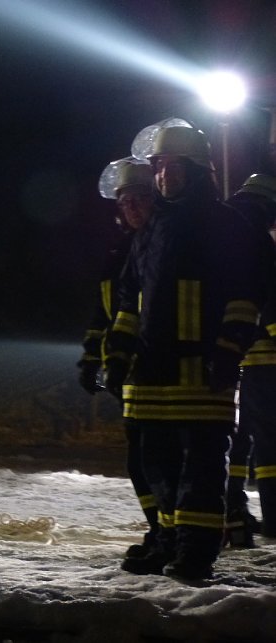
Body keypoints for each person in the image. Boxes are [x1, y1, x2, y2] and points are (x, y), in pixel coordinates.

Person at [105, 122, 264, 580]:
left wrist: (228, 351)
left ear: (193, 168)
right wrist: (118, 354)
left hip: (203, 372)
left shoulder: (227, 224)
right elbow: (130, 301)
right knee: (160, 470)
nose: (158, 175)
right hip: (152, 374)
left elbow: (245, 296)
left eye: (167, 165)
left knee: (203, 470)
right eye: (155, 167)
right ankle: (170, 543)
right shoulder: (151, 229)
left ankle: (195, 555)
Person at [78, 157, 158, 557]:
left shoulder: (161, 246)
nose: (132, 209)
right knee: (139, 461)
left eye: (140, 199)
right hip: (125, 369)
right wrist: (92, 357)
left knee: (155, 459)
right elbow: (104, 312)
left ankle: (169, 532)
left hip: (156, 368)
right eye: (125, 202)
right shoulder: (119, 253)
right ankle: (160, 529)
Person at [227, 173, 276, 540]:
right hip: (264, 362)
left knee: (235, 443)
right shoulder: (263, 246)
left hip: (229, 359)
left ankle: (232, 515)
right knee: (269, 443)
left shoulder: (224, 242)